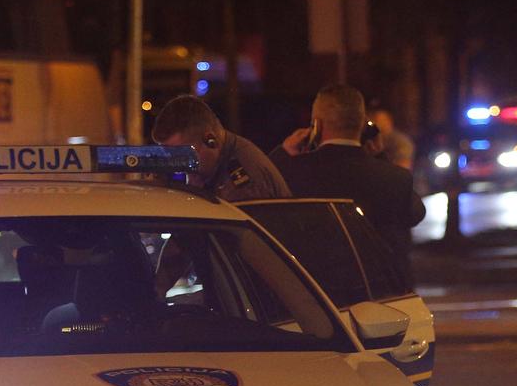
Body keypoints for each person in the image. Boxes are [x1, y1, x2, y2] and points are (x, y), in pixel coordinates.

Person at [279, 84, 425, 284]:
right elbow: (416, 213)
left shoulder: (294, 173)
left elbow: (261, 191)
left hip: (321, 295)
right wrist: (381, 157)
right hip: (384, 296)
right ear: (363, 127)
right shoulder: (394, 177)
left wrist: (282, 154)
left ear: (316, 127)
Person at [151, 94, 290, 202]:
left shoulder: (242, 183)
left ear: (211, 141)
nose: (178, 166)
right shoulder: (212, 167)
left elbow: (236, 238)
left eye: (183, 156)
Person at [372, 107, 415, 172]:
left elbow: (403, 168)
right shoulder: (373, 140)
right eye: (374, 120)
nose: (377, 124)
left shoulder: (401, 142)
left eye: (381, 120)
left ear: (389, 122)